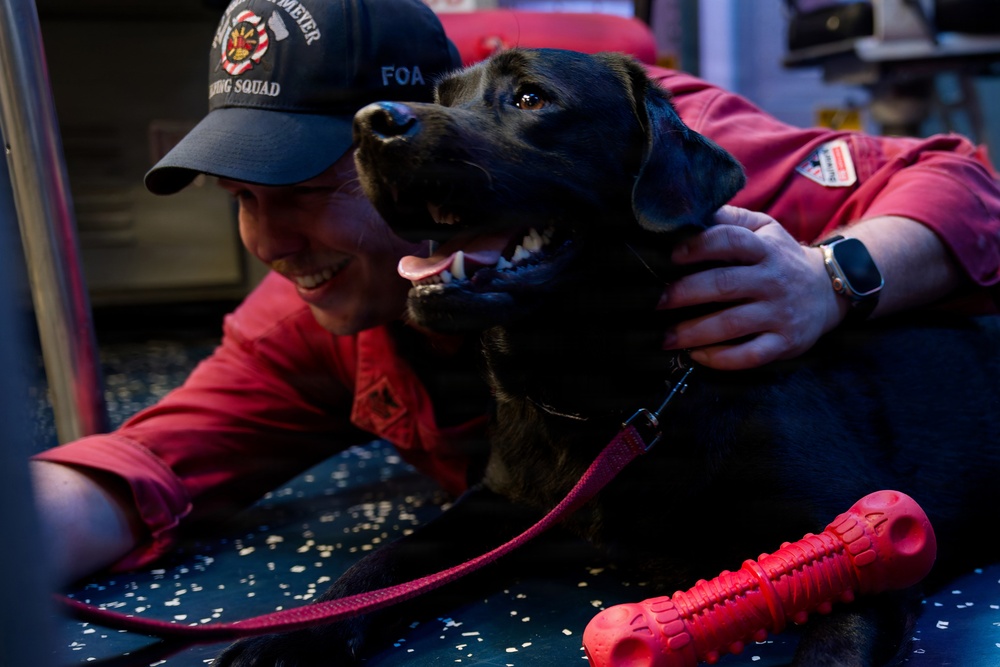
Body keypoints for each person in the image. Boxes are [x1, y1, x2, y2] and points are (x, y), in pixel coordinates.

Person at [30, 0, 1000, 589]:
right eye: (241, 201)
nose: (270, 244)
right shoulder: (313, 305)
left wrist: (830, 279)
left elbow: (966, 183)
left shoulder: (646, 146)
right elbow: (142, 463)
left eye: (304, 192)